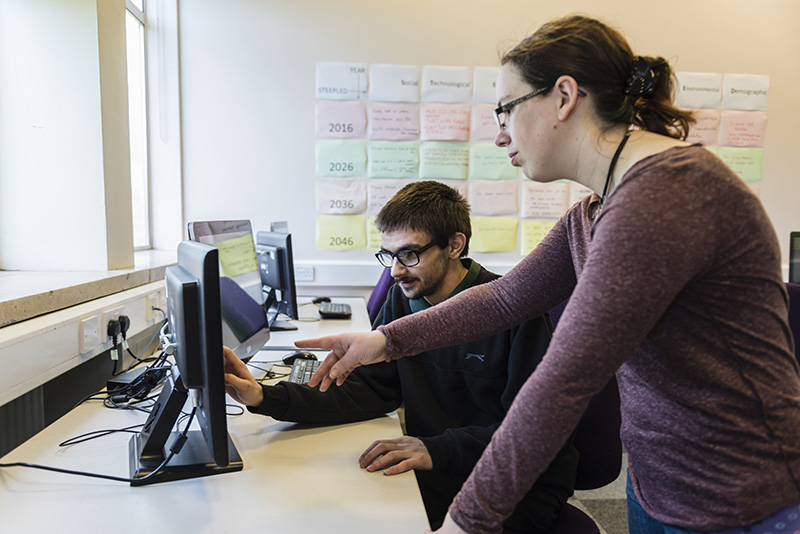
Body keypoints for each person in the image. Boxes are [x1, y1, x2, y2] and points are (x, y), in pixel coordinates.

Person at [297, 15, 800, 534]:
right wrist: (384, 341)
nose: (498, 135)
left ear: (563, 97)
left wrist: (466, 521)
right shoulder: (596, 210)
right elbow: (503, 299)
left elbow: (565, 380)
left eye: (505, 111)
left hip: (743, 495)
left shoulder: (665, 197)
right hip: (661, 482)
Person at [223, 180, 579, 532]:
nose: (394, 271)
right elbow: (371, 391)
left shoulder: (514, 311)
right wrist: (263, 396)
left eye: (408, 254)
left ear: (455, 245)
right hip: (443, 464)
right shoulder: (402, 300)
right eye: (388, 256)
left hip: (516, 483)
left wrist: (436, 449)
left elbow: (533, 430)